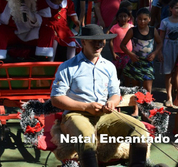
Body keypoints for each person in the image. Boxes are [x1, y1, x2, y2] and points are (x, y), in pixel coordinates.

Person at [50, 24, 149, 167]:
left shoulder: (109, 66)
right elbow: (56, 99)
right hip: (75, 115)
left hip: (105, 115)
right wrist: (86, 107)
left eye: (101, 41)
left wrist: (112, 102)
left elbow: (115, 94)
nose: (98, 45)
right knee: (86, 137)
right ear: (83, 42)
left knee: (139, 129)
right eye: (93, 41)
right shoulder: (67, 66)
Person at [121, 7, 163, 93]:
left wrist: (155, 53)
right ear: (136, 19)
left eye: (145, 19)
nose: (142, 21)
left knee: (147, 89)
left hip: (148, 62)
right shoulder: (133, 31)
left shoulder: (153, 30)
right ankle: (136, 106)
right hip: (136, 61)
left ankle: (147, 105)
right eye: (140, 19)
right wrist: (131, 54)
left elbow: (160, 43)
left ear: (149, 19)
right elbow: (122, 45)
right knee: (136, 88)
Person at [159, 0, 178, 107]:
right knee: (169, 73)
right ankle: (169, 97)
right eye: (176, 7)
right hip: (168, 48)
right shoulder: (165, 21)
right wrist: (159, 52)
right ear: (171, 9)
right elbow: (160, 38)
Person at [109, 8, 134, 80]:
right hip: (117, 53)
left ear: (129, 17)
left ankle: (126, 84)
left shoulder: (131, 27)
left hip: (128, 53)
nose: (123, 18)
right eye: (120, 16)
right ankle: (116, 83)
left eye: (125, 16)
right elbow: (110, 41)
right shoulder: (114, 28)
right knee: (117, 71)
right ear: (117, 18)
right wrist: (113, 53)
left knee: (127, 71)